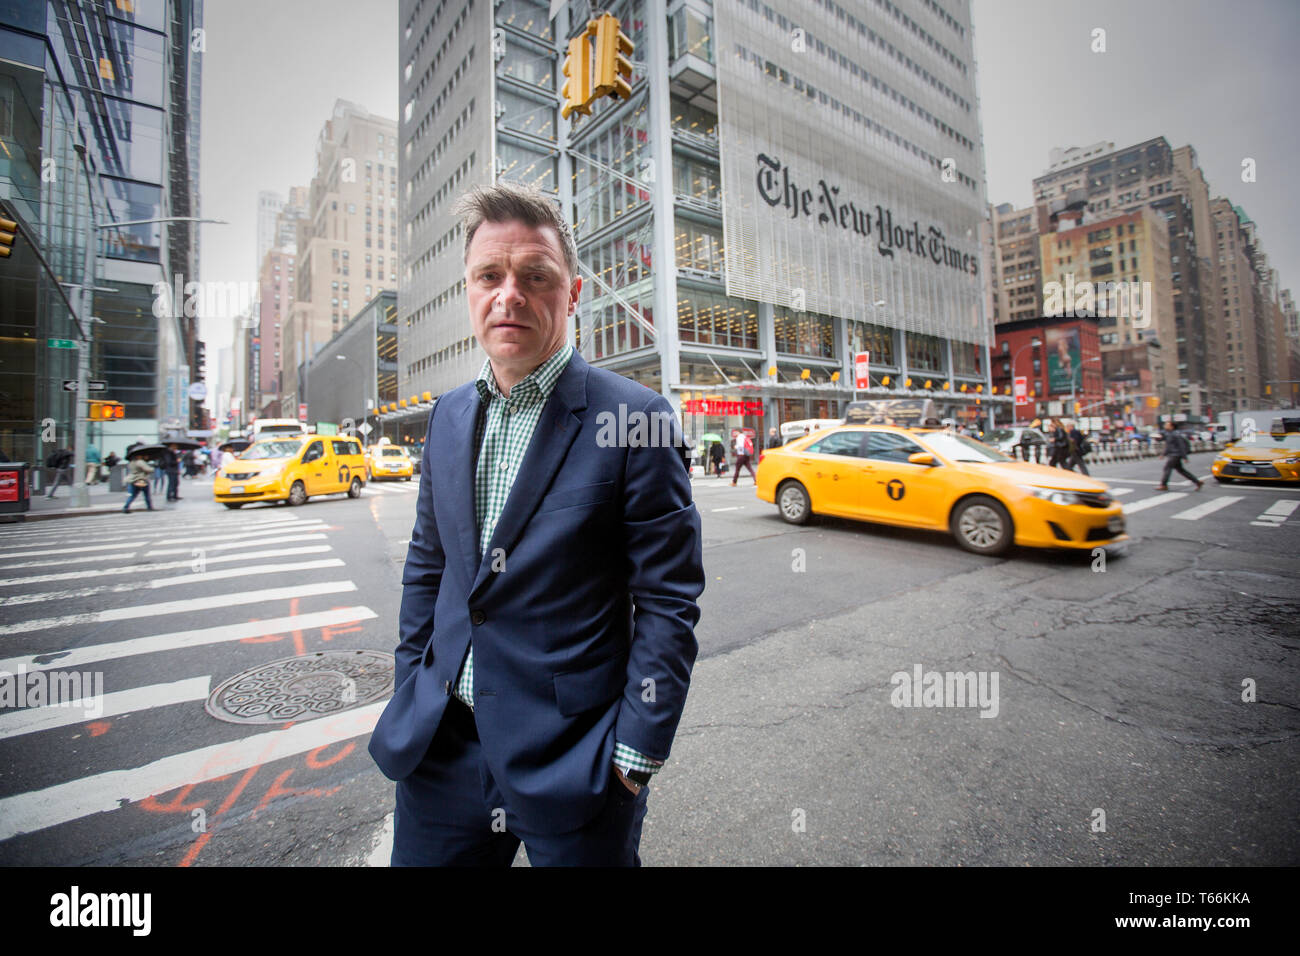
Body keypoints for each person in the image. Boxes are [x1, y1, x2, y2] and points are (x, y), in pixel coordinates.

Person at [368, 182, 705, 867]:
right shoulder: (447, 418)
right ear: (469, 289)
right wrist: (412, 681)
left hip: (576, 762)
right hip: (442, 751)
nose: (509, 294)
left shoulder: (635, 418)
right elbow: (428, 569)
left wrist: (634, 754)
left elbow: (669, 601)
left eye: (535, 276)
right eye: (489, 275)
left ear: (572, 293)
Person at [1157, 421, 1203, 491]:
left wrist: (1184, 457)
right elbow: (1168, 446)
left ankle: (1163, 485)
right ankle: (1197, 482)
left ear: (1172, 427)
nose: (1165, 426)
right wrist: (1163, 454)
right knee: (1181, 470)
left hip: (1175, 455)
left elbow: (1181, 446)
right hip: (1173, 454)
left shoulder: (1176, 434)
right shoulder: (1170, 434)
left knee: (1167, 468)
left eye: (1167, 425)